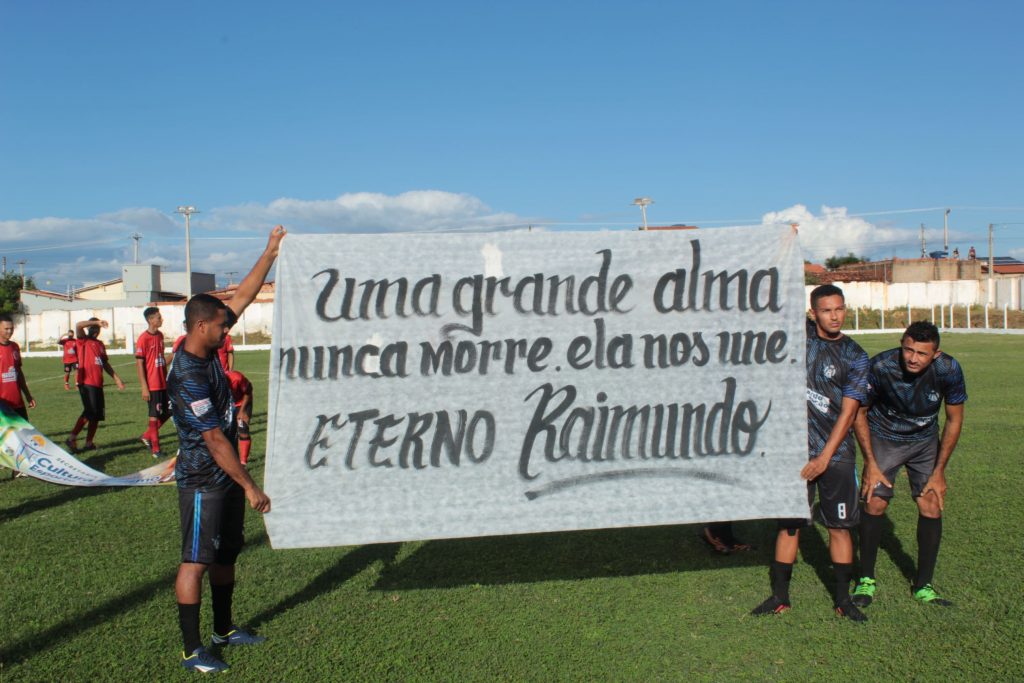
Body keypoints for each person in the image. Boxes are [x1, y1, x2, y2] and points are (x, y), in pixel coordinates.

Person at [168, 225, 284, 673]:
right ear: (201, 326)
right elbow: (215, 440)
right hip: (203, 478)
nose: (227, 331)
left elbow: (244, 298)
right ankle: (192, 649)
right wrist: (250, 486)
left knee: (225, 554)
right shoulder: (188, 374)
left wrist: (270, 252)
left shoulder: (208, 345)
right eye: (221, 327)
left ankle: (224, 629)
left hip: (226, 474)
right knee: (195, 561)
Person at [752, 284, 870, 621]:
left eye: (839, 309)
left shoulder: (856, 355)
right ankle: (780, 596)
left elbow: (849, 413)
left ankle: (843, 600)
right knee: (789, 525)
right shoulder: (799, 337)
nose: (835, 316)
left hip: (836, 454)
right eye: (827, 310)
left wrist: (823, 458)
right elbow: (771, 304)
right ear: (813, 313)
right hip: (794, 452)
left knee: (839, 527)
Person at [851, 321, 966, 608]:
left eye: (922, 353)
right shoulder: (881, 366)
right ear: (901, 344)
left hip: (924, 442)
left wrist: (939, 471)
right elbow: (859, 413)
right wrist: (870, 463)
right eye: (908, 350)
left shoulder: (949, 369)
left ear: (935, 354)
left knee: (931, 503)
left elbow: (954, 420)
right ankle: (866, 579)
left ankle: (924, 585)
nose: (913, 358)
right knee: (874, 503)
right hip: (884, 438)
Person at [66, 318, 125, 452]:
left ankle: (89, 443)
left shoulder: (100, 344)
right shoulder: (83, 340)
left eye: (97, 328)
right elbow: (78, 325)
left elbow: (105, 363)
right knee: (90, 411)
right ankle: (72, 437)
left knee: (97, 415)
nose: (96, 330)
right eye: (93, 327)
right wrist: (96, 322)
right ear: (89, 328)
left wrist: (117, 379)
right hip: (86, 382)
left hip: (98, 383)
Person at [135, 307, 170, 457]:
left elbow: (161, 361)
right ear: (150, 320)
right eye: (158, 317)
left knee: (170, 410)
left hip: (163, 382)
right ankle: (156, 450)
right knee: (154, 415)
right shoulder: (143, 338)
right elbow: (139, 364)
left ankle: (146, 436)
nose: (161, 319)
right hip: (153, 384)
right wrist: (144, 387)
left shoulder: (160, 336)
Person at [0, 314, 36, 421]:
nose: (10, 331)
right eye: (6, 329)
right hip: (2, 405)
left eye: (12, 328)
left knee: (25, 430)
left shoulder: (14, 346)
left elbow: (19, 373)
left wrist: (28, 395)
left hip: (17, 402)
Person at [225, 370, 253, 466]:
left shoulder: (237, 378)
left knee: (243, 429)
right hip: (228, 404)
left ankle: (243, 462)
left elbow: (249, 390)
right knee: (227, 431)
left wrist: (242, 411)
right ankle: (230, 459)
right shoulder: (215, 382)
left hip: (242, 403)